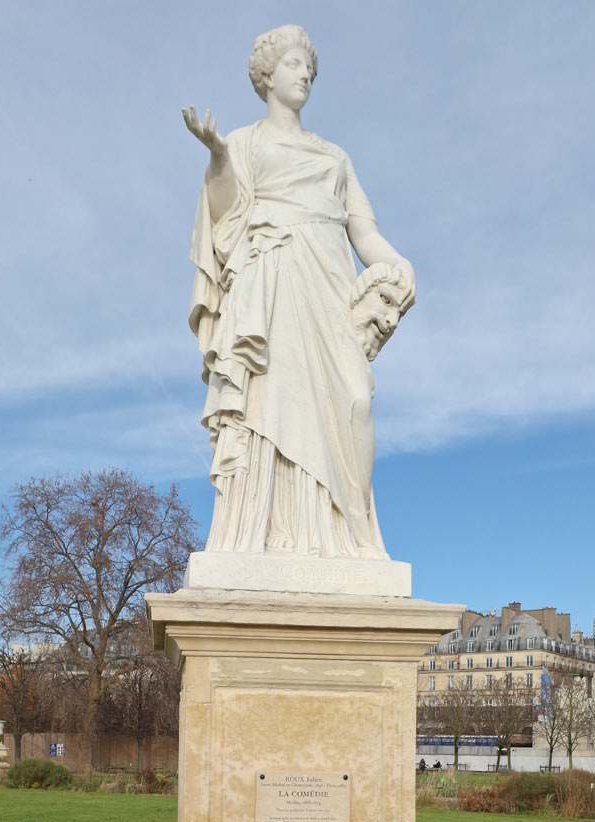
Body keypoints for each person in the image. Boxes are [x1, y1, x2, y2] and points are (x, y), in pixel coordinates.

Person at [183, 25, 415, 559]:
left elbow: (365, 234)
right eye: (292, 64)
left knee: (355, 399)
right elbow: (224, 216)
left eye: (308, 66)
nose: (304, 73)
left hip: (330, 289)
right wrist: (218, 156)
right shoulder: (243, 142)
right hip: (271, 285)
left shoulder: (335, 157)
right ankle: (269, 532)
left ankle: (353, 533)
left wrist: (401, 266)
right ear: (266, 77)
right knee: (270, 408)